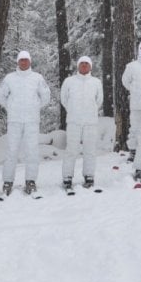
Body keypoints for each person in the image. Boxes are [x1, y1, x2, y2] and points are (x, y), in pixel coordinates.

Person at [0, 50, 50, 195]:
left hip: (32, 120)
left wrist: (35, 106)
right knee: (11, 151)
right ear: (18, 62)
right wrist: (10, 106)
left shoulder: (37, 78)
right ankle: (8, 181)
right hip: (14, 120)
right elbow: (0, 95)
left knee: (32, 151)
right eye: (21, 60)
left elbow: (46, 96)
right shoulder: (9, 78)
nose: (24, 62)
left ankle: (30, 181)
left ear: (30, 62)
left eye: (26, 60)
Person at [60, 56, 104, 190]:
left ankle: (89, 176)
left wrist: (90, 111)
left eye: (87, 64)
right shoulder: (69, 81)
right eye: (82, 63)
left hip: (90, 122)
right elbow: (64, 99)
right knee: (71, 150)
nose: (84, 65)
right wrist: (73, 111)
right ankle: (67, 177)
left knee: (89, 150)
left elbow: (99, 100)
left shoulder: (96, 82)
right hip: (74, 121)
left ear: (90, 66)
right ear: (78, 66)